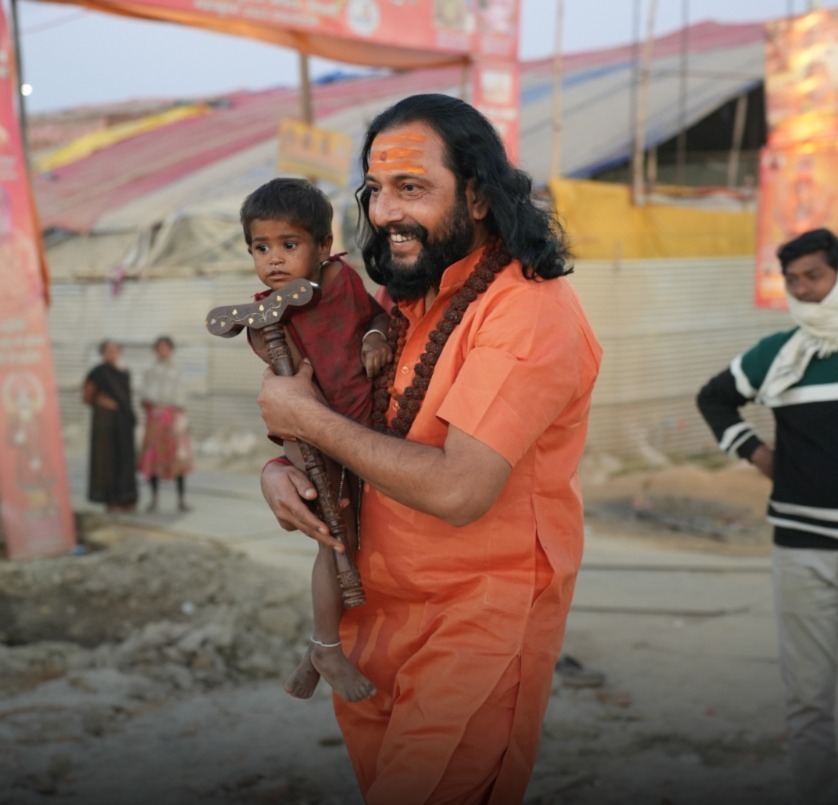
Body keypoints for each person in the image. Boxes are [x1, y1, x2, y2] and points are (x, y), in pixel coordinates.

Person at [257, 94, 602, 804]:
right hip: (375, 624)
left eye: (411, 187)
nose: (385, 212)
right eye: (375, 190)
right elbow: (348, 417)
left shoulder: (526, 309)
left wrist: (309, 422)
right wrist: (279, 468)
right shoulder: (403, 301)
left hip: (473, 633)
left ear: (476, 194)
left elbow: (457, 489)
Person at [696, 227, 838, 805]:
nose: (802, 290)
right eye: (792, 280)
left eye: (814, 276)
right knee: (810, 700)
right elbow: (713, 397)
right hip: (801, 550)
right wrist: (756, 453)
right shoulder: (781, 354)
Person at [240, 177, 392, 703]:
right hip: (312, 437)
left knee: (355, 540)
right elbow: (289, 391)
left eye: (289, 244)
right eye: (261, 248)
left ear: (324, 245)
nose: (274, 260)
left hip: (359, 428)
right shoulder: (266, 317)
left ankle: (313, 656)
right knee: (336, 542)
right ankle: (326, 648)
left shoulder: (343, 281)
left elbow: (375, 315)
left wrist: (375, 337)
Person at [138, 335, 194, 513]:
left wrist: (180, 419)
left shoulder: (177, 370)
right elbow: (144, 395)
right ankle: (154, 498)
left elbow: (182, 396)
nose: (163, 351)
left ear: (171, 350)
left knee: (177, 457)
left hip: (173, 420)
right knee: (153, 458)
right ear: (155, 350)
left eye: (166, 348)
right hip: (155, 420)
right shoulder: (150, 370)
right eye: (159, 348)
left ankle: (181, 499)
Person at [82, 339, 138, 512]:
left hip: (124, 424)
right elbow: (87, 397)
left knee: (125, 460)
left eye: (114, 350)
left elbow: (126, 398)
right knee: (108, 461)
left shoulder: (125, 372)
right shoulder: (97, 372)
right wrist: (101, 401)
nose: (111, 354)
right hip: (105, 424)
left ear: (119, 352)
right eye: (108, 351)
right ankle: (111, 499)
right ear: (102, 353)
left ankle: (127, 498)